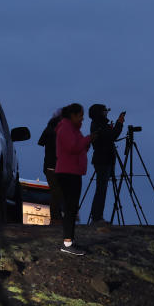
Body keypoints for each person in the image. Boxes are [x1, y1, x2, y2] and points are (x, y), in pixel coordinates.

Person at [55, 103, 95, 255]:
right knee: (70, 208)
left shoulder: (72, 129)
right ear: (72, 115)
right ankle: (67, 243)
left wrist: (87, 141)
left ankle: (69, 241)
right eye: (80, 115)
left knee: (72, 208)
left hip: (73, 172)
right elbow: (73, 147)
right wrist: (88, 139)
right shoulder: (65, 128)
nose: (82, 118)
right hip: (67, 173)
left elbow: (78, 147)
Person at [88, 104, 125, 223]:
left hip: (104, 159)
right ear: (99, 113)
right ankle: (97, 217)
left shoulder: (98, 123)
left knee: (101, 188)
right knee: (101, 189)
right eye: (105, 111)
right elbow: (112, 136)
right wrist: (119, 123)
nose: (106, 113)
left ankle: (97, 216)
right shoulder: (99, 124)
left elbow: (109, 136)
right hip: (103, 159)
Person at [36, 108, 64, 223]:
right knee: (57, 192)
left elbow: (40, 142)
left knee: (55, 191)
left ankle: (56, 217)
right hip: (56, 165)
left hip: (49, 165)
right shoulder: (60, 130)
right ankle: (56, 217)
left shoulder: (49, 128)